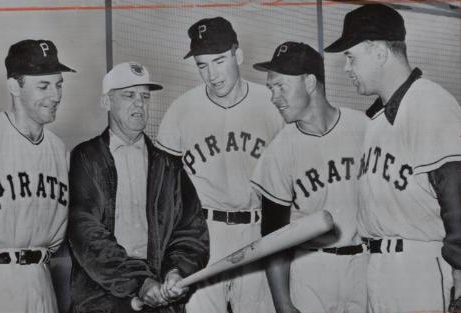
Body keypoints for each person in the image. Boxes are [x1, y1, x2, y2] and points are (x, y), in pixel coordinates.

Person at [325, 3, 461, 312]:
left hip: (420, 268)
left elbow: (457, 199)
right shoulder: (376, 120)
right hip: (379, 266)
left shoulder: (430, 103)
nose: (346, 68)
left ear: (379, 52)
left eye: (350, 56)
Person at [156, 16, 284, 313]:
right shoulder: (181, 109)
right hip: (203, 235)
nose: (212, 74)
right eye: (202, 65)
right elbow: (164, 194)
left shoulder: (270, 104)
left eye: (219, 60)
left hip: (257, 230)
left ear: (237, 55)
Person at [68, 62, 209, 313]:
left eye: (145, 96)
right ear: (106, 103)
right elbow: (86, 233)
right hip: (103, 297)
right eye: (128, 95)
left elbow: (191, 230)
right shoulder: (86, 157)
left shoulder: (168, 164)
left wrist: (177, 271)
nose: (139, 104)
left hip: (160, 296)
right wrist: (139, 282)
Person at [250, 42, 368, 313]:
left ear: (311, 83)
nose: (274, 97)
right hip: (312, 271)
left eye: (281, 86)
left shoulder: (362, 127)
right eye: (271, 88)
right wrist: (282, 304)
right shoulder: (279, 150)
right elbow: (273, 239)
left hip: (363, 265)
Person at [0, 39, 75, 313]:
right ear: (14, 86)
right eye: (43, 86)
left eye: (59, 84)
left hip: (40, 279)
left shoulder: (59, 150)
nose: (56, 95)